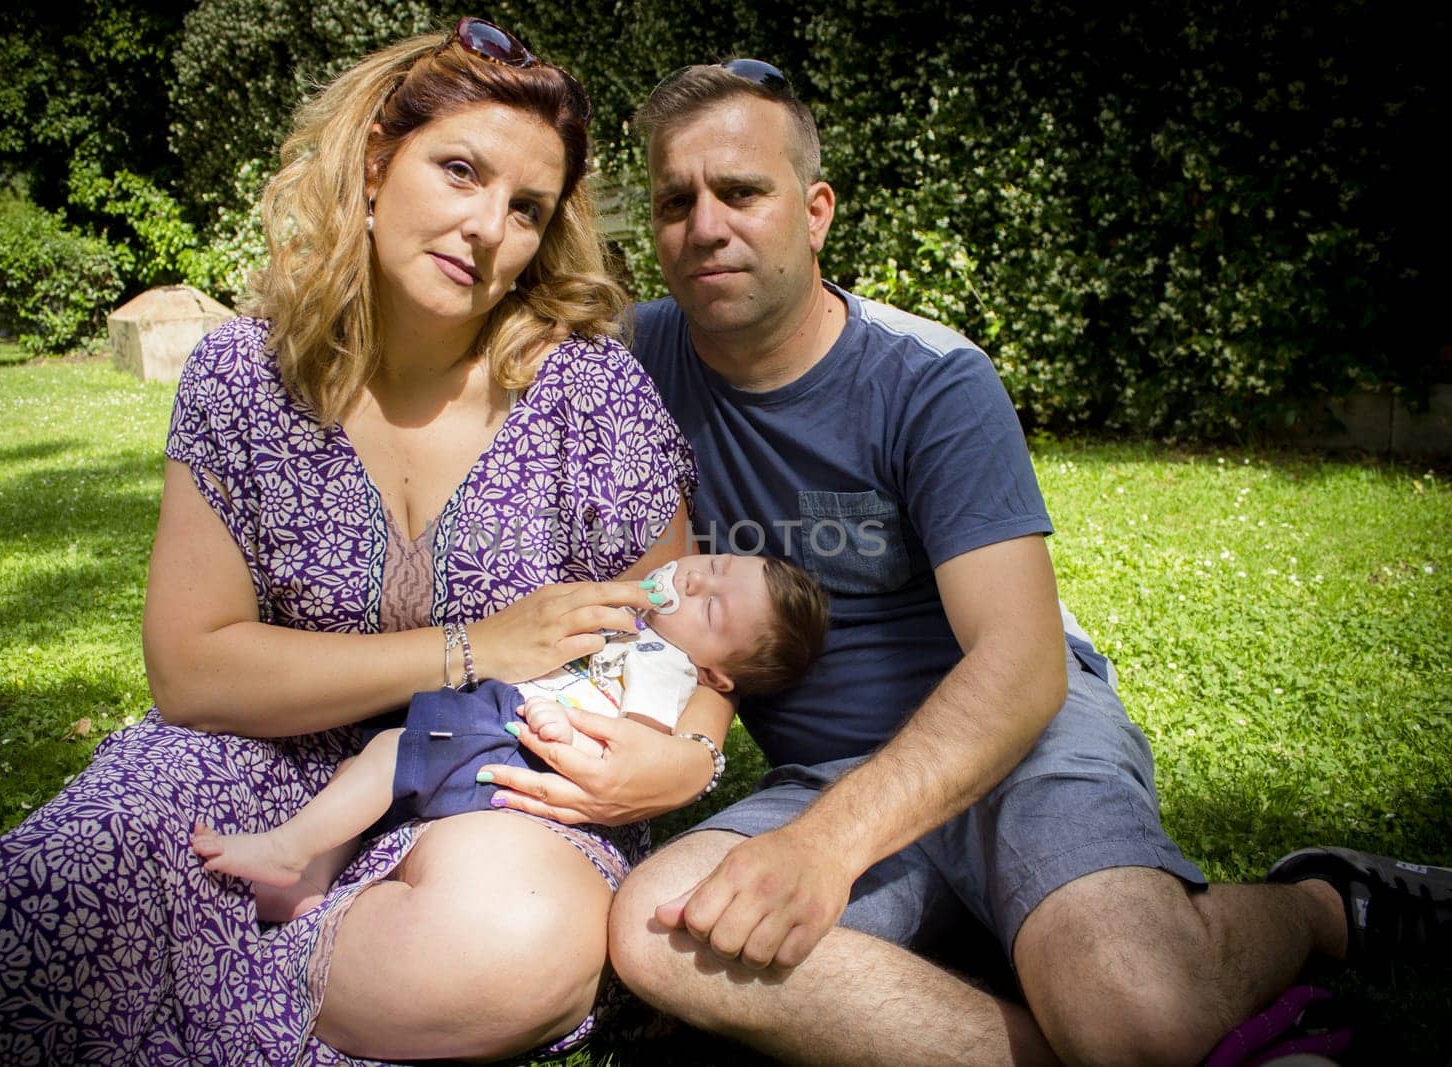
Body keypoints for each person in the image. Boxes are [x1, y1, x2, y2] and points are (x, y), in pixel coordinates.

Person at [0, 21, 734, 1064]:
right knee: (22, 911)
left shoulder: (589, 394)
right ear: (374, 165)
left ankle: (176, 992)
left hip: (498, 774)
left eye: (525, 207)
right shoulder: (241, 377)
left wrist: (685, 755)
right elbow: (192, 668)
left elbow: (684, 632)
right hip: (254, 761)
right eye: (460, 171)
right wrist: (471, 644)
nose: (486, 225)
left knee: (513, 944)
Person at [556, 60, 1452, 1066]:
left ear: (814, 212)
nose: (705, 224)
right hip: (823, 772)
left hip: (1019, 739)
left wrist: (823, 847)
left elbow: (1022, 664)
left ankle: (1326, 904)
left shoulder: (928, 379)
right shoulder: (628, 364)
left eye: (742, 191)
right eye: (676, 199)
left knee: (1139, 1009)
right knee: (660, 927)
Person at [190, 552, 829, 920]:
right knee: (370, 761)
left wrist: (567, 733)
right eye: (713, 565)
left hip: (520, 740)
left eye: (712, 606)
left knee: (388, 755)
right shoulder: (634, 621)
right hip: (497, 713)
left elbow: (630, 749)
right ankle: (308, 882)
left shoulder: (668, 665)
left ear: (717, 674)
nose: (695, 581)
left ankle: (288, 849)